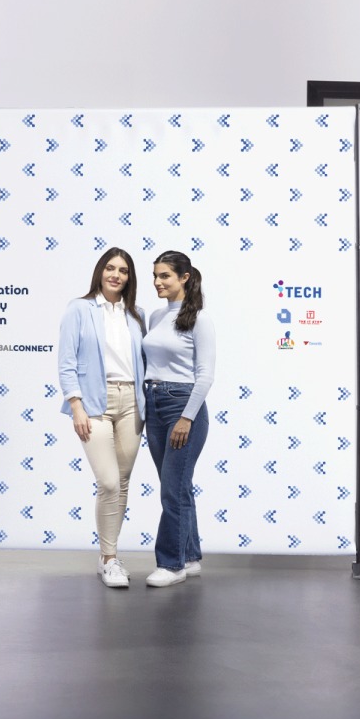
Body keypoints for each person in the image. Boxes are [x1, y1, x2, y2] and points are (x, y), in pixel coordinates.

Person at [58, 248, 146, 589]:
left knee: (122, 483)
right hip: (94, 402)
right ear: (100, 271)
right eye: (110, 268)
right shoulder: (79, 309)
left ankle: (109, 555)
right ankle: (109, 559)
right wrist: (76, 405)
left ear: (129, 277)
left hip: (131, 403)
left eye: (123, 270)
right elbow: (66, 361)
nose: (116, 275)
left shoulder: (136, 314)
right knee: (108, 481)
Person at [142, 250, 216, 588]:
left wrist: (186, 418)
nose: (157, 282)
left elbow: (205, 376)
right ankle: (190, 556)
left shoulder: (200, 320)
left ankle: (171, 564)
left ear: (184, 278)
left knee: (173, 489)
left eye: (165, 276)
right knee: (177, 486)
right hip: (154, 403)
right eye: (155, 276)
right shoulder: (156, 316)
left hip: (182, 406)